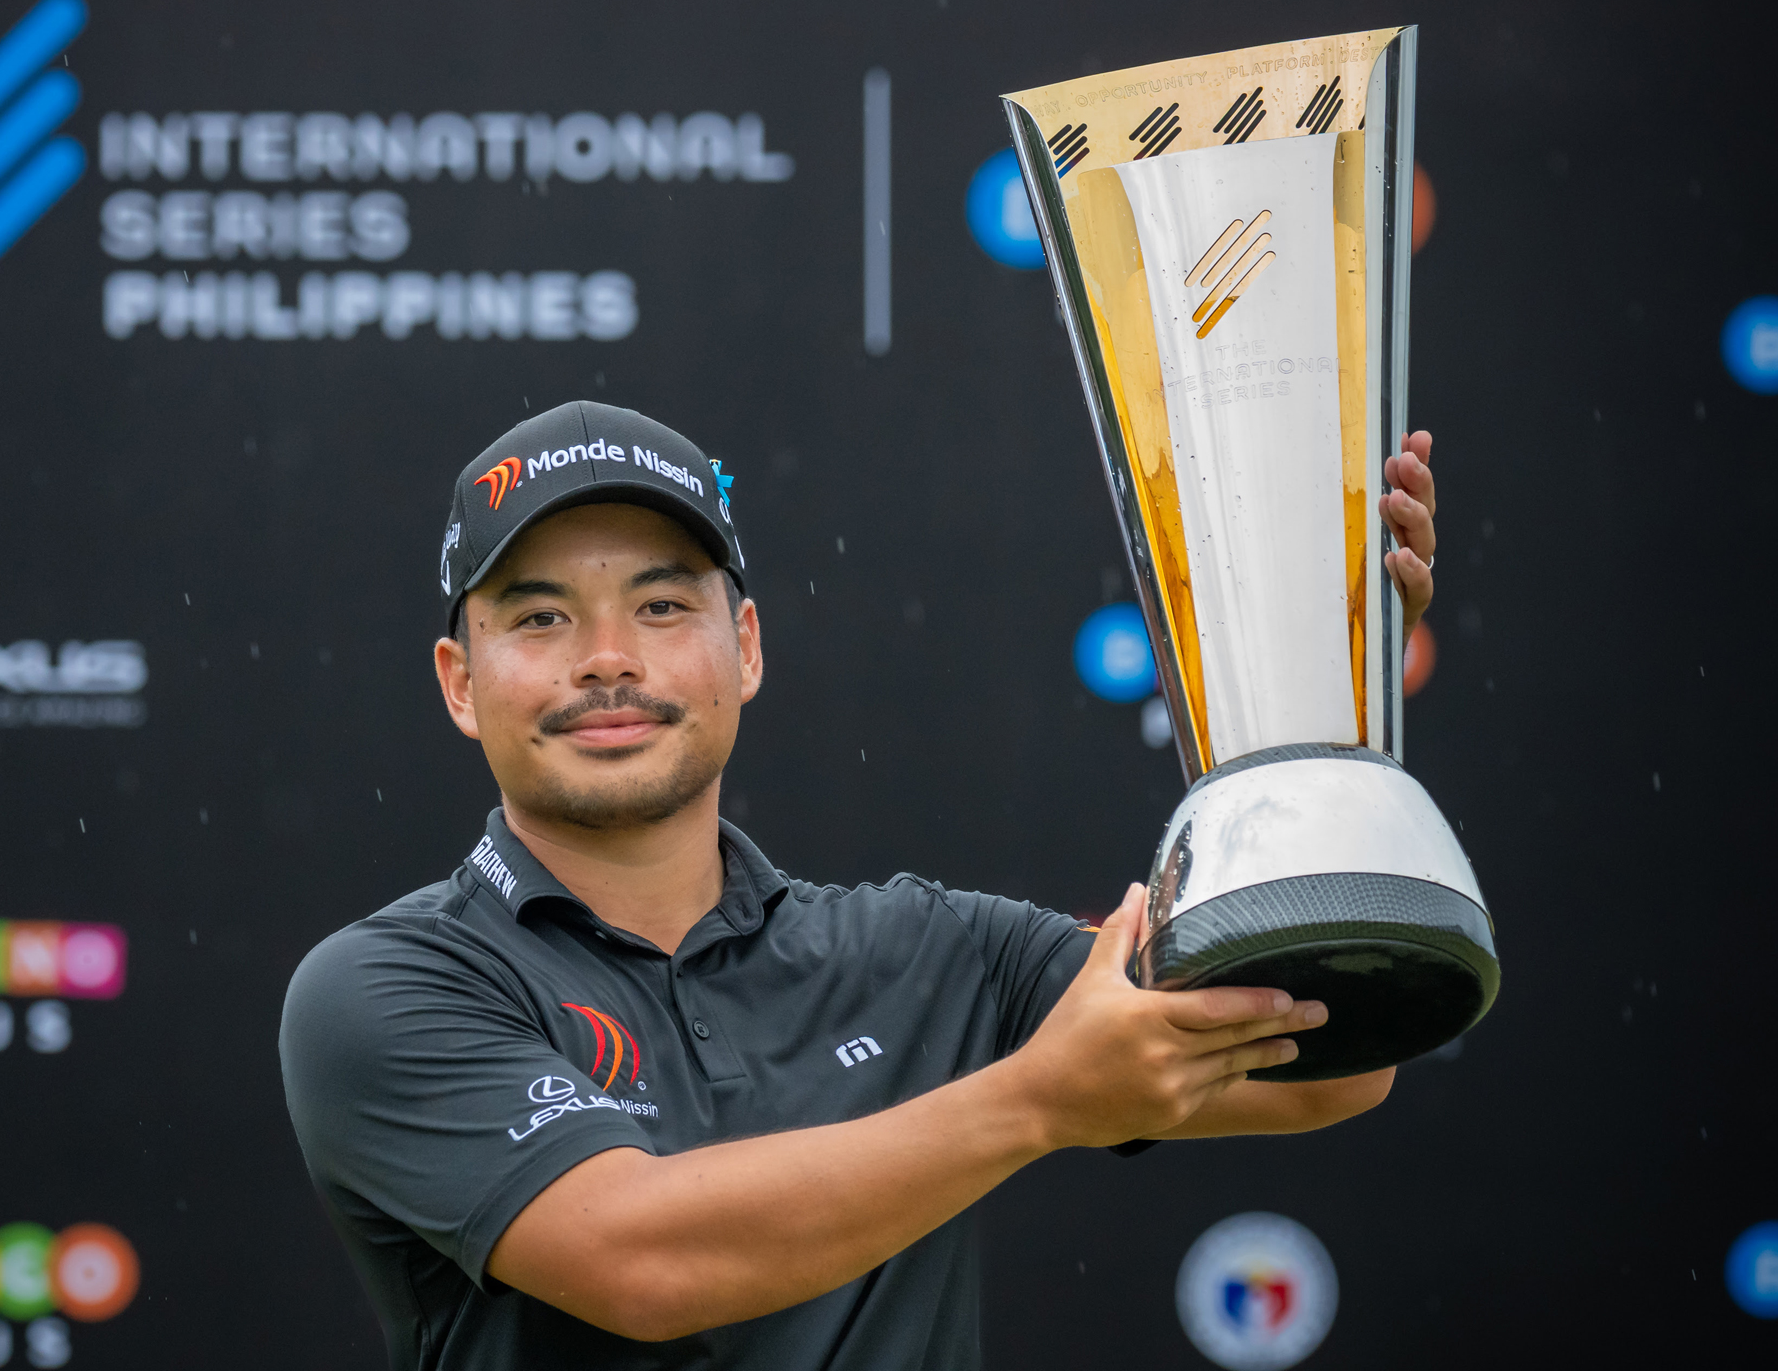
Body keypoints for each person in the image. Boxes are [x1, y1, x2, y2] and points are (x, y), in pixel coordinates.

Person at [279, 401, 1441, 1369]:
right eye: (540, 618)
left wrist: (1318, 704)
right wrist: (1034, 1102)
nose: (607, 657)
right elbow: (641, 1263)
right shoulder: (383, 986)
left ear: (746, 648)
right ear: (460, 682)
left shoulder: (932, 952)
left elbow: (1326, 1063)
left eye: (662, 605)